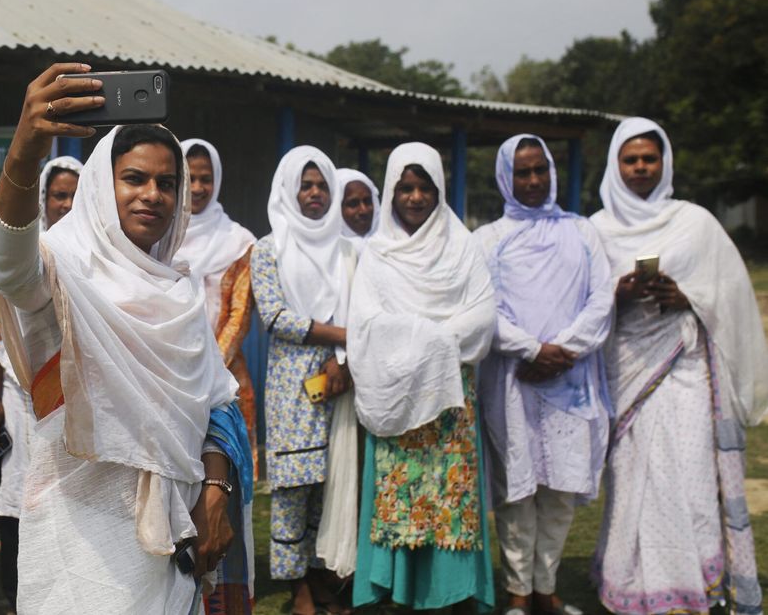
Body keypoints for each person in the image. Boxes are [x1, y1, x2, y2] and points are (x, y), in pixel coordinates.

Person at [0, 63, 253, 614]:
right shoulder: (64, 269)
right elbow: (10, 269)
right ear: (101, 189)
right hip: (79, 534)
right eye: (134, 178)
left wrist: (215, 489)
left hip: (172, 538)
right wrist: (24, 151)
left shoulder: (176, 293)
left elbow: (217, 401)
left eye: (167, 182)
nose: (153, 195)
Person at [590, 118, 768, 615]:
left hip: (684, 367)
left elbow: (729, 293)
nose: (641, 167)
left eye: (650, 158)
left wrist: (686, 296)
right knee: (631, 481)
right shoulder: (597, 229)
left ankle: (696, 584)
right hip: (625, 367)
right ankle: (632, 581)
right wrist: (616, 293)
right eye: (631, 159)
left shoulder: (695, 222)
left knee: (689, 476)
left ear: (665, 162)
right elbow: (580, 302)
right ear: (615, 164)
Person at [344, 142, 496, 613]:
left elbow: (484, 316)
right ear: (390, 192)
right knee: (401, 497)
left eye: (424, 187)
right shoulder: (377, 254)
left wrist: (425, 338)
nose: (414, 197)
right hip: (397, 396)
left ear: (439, 190)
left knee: (450, 496)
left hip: (450, 398)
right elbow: (366, 324)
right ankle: (398, 589)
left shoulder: (463, 246)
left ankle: (451, 591)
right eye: (404, 188)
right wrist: (432, 339)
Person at [474, 135, 613, 615]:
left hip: (570, 382)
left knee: (559, 490)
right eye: (522, 172)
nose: (533, 181)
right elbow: (483, 309)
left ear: (552, 173)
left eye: (540, 171)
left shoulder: (581, 231)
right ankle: (517, 591)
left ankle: (545, 588)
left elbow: (602, 298)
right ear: (505, 178)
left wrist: (563, 350)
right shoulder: (487, 240)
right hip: (512, 383)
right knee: (518, 490)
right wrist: (531, 349)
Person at [0, 154, 82, 614]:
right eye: (59, 195)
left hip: (79, 403)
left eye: (77, 195)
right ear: (43, 200)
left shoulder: (94, 253)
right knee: (23, 499)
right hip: (23, 399)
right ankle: (20, 596)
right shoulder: (21, 254)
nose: (67, 204)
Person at [251, 145, 353, 615]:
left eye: (322, 186)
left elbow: (359, 305)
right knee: (294, 486)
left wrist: (342, 356)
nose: (314, 194)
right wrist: (337, 336)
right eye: (305, 185)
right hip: (292, 386)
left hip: (344, 380)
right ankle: (298, 588)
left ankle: (321, 574)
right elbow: (273, 316)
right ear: (288, 190)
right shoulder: (268, 248)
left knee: (330, 487)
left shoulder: (346, 248)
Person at [175, 138, 259, 613]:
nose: (200, 187)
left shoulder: (238, 241)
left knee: (219, 494)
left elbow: (239, 316)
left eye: (207, 177)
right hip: (168, 386)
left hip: (225, 386)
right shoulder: (158, 234)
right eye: (191, 177)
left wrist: (203, 368)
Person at [336, 168, 379, 250]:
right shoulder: (327, 251)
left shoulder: (390, 244)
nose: (363, 210)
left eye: (367, 201)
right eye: (353, 204)